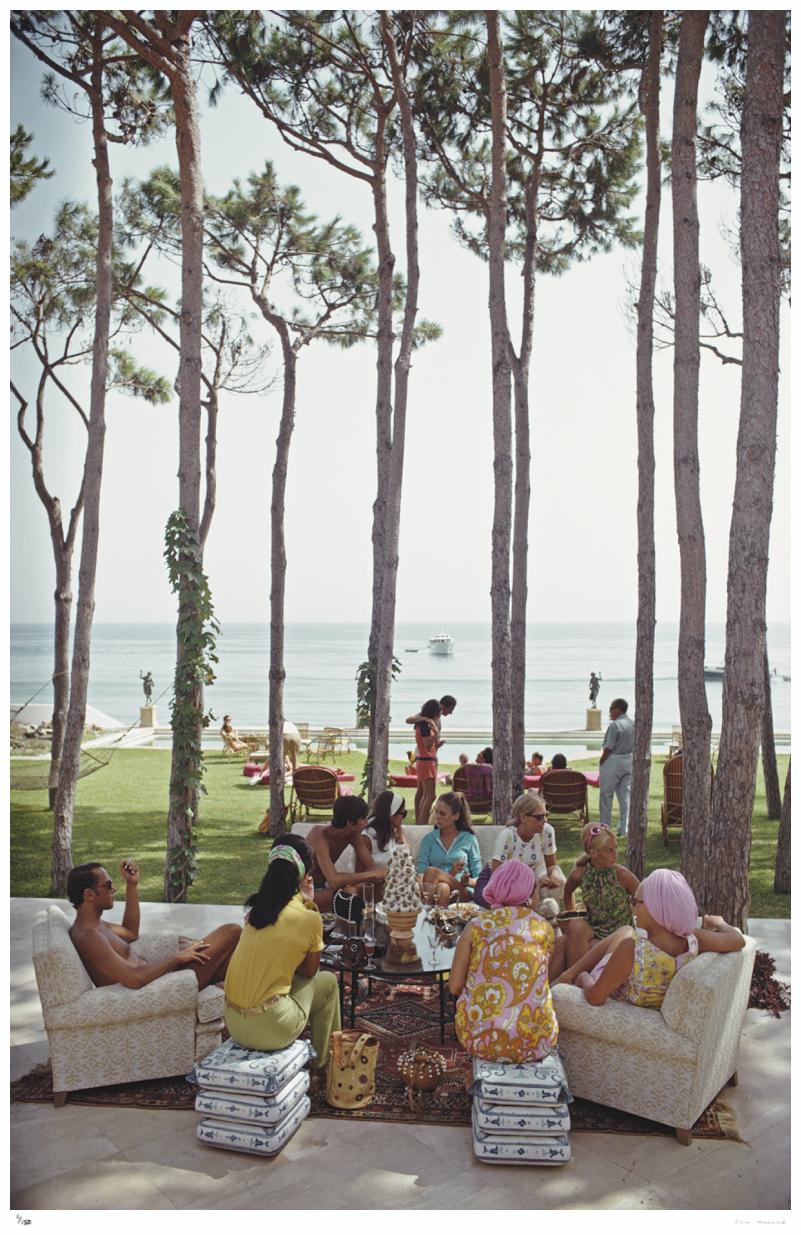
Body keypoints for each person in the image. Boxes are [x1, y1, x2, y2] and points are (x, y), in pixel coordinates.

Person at [223, 836, 340, 1089]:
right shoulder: (307, 917)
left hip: (233, 1023)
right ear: (306, 874)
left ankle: (326, 1062)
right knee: (328, 983)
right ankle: (326, 1066)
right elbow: (310, 972)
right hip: (271, 1028)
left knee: (283, 980)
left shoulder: (255, 912)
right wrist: (309, 902)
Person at [553, 868, 744, 1008]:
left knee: (623, 934)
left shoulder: (633, 950)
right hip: (639, 988)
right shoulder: (694, 939)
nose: (632, 907)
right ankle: (565, 975)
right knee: (625, 929)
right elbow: (738, 940)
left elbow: (595, 998)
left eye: (636, 902)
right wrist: (720, 923)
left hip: (608, 994)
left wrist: (583, 978)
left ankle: (567, 976)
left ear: (656, 909)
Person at [449, 860, 560, 1064]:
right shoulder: (544, 928)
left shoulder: (476, 926)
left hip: (480, 1040)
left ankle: (475, 1073)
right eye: (536, 892)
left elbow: (455, 986)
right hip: (536, 1042)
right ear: (527, 896)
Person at [67, 860, 240, 991]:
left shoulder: (95, 925)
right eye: (108, 885)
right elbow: (135, 979)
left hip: (159, 978)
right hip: (159, 990)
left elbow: (131, 933)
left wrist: (132, 884)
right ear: (89, 894)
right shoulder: (89, 937)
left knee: (236, 964)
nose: (113, 890)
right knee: (232, 931)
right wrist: (176, 958)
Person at [557, 823, 639, 970]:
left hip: (620, 936)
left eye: (616, 848)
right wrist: (572, 913)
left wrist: (635, 906)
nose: (616, 854)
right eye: (609, 851)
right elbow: (568, 893)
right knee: (573, 929)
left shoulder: (622, 875)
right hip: (595, 931)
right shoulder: (579, 875)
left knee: (567, 943)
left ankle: (576, 977)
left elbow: (645, 899)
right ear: (593, 853)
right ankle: (574, 984)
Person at [472, 791, 565, 910]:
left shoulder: (547, 831)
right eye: (539, 817)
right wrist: (531, 887)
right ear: (523, 817)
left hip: (527, 876)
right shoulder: (508, 836)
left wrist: (554, 874)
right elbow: (497, 879)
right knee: (488, 899)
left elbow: (551, 865)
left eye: (546, 814)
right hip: (499, 876)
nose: (545, 820)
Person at [307, 795, 384, 912]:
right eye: (363, 819)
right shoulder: (319, 835)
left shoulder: (354, 835)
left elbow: (371, 869)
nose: (367, 822)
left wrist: (373, 877)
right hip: (306, 889)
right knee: (349, 893)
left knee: (376, 885)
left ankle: (374, 922)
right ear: (350, 823)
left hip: (326, 885)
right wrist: (375, 874)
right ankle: (345, 929)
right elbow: (334, 880)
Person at [416, 791, 482, 905]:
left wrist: (467, 881)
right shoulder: (429, 839)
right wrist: (450, 873)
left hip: (461, 890)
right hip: (435, 891)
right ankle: (440, 921)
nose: (437, 817)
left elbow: (479, 879)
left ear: (456, 816)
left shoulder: (469, 839)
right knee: (443, 888)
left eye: (442, 813)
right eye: (436, 812)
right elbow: (421, 873)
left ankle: (424, 913)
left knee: (432, 871)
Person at [599, 697, 635, 837]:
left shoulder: (615, 725)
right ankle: (623, 828)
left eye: (611, 709)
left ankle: (605, 827)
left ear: (618, 710)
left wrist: (602, 761)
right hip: (628, 760)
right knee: (624, 796)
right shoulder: (633, 723)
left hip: (613, 760)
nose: (609, 712)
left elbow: (609, 747)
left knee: (606, 795)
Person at [411, 698, 442, 824]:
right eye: (439, 711)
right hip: (427, 762)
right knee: (430, 795)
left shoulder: (423, 724)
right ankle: (422, 823)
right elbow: (427, 744)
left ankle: (421, 821)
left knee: (425, 795)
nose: (440, 714)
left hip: (425, 760)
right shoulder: (425, 726)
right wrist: (436, 732)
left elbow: (427, 746)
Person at [364, 790, 408, 872]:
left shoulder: (391, 830)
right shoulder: (368, 836)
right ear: (392, 814)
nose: (403, 818)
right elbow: (360, 872)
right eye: (403, 813)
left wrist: (399, 829)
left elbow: (407, 857)